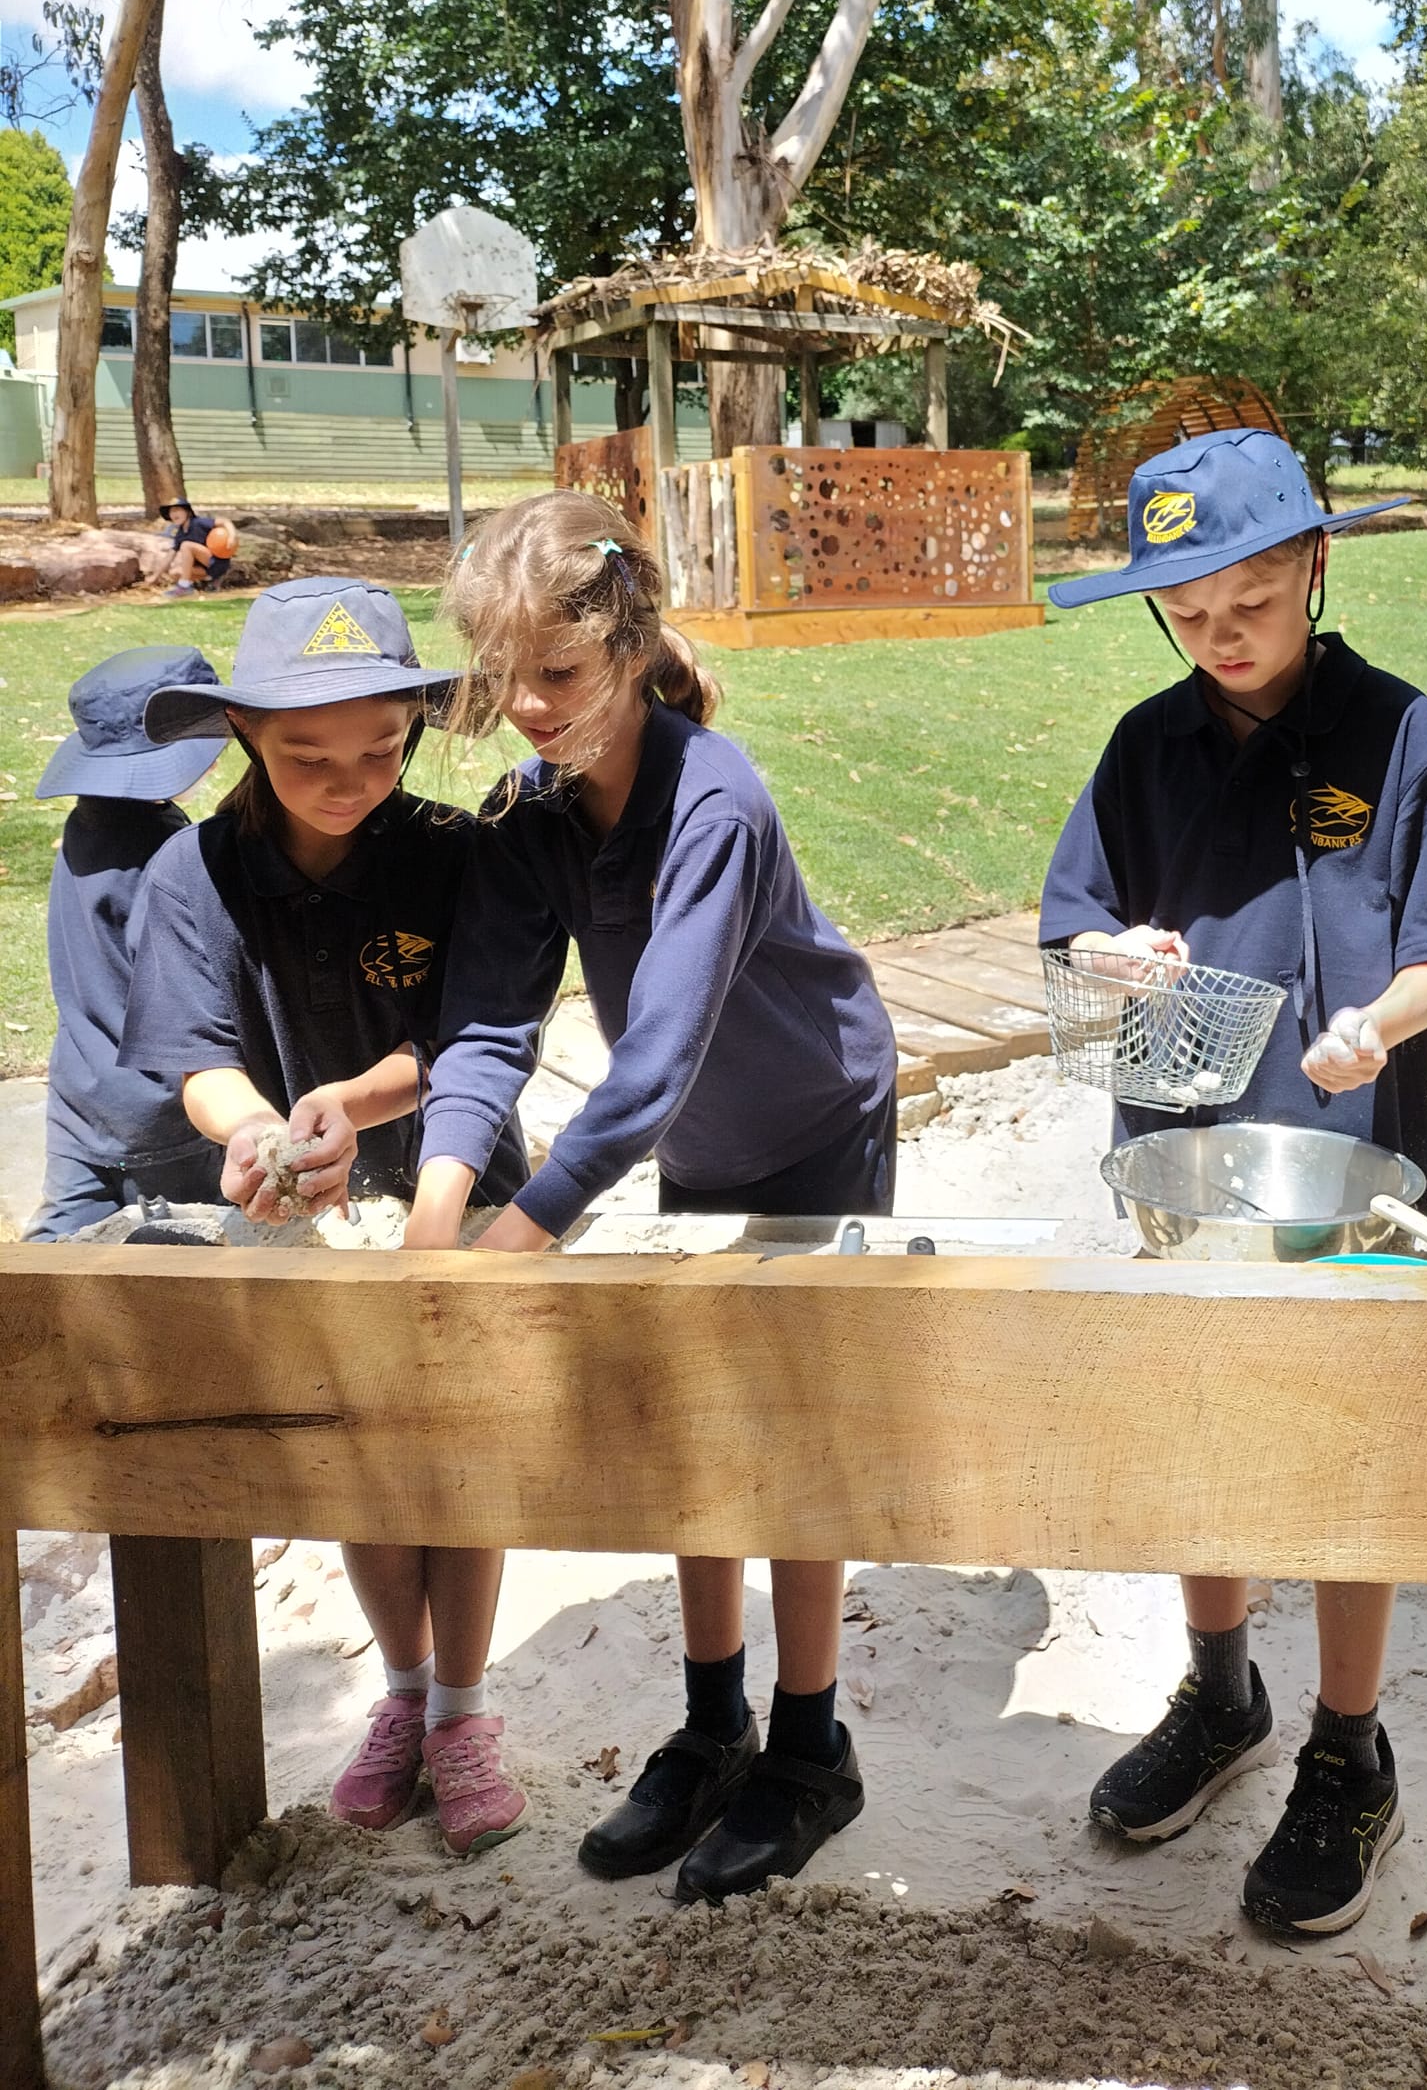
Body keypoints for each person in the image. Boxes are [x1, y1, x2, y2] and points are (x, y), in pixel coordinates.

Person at [1039, 428, 1427, 1937]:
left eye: (1247, 600)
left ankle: (1348, 1745)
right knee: (1198, 1423)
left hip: (1355, 1160)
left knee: (1343, 1454)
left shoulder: (1397, 730)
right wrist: (1108, 956)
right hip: (1181, 1154)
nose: (1219, 636)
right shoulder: (1142, 744)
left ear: (1316, 564)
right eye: (1186, 613)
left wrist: (1383, 1018)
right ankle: (1222, 1682)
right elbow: (1072, 930)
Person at [405, 488, 900, 1904]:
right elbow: (491, 1025)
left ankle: (810, 1747)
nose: (530, 710)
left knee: (796, 1426)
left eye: (557, 676)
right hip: (704, 1138)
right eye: (503, 682)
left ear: (628, 646)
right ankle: (711, 1721)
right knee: (698, 1424)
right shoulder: (531, 810)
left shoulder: (716, 798)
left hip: (816, 1115)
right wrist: (440, 1214)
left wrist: (516, 1235)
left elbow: (654, 1065)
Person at [120, 576, 532, 1858]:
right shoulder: (193, 870)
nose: (347, 776)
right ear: (243, 733)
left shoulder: (457, 853)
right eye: (307, 754)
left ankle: (464, 1709)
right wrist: (254, 1130)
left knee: (458, 1463)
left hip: (456, 1189)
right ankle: (400, 1699)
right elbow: (191, 1053)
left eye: (382, 747)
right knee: (359, 1460)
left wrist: (355, 1097)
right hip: (302, 1210)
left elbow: (473, 1034)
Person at [26, 646, 225, 1239]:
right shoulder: (171, 853)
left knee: (50, 1262)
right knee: (187, 1260)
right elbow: (190, 986)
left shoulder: (85, 825)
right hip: (162, 1112)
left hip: (80, 1098)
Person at [155, 497, 219, 596]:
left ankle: (184, 585)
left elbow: (224, 522)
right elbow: (170, 556)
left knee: (186, 545)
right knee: (174, 572)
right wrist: (155, 576)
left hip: (215, 562)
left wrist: (231, 537)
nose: (174, 514)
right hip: (204, 569)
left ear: (187, 512)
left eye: (177, 510)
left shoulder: (198, 523)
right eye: (171, 512)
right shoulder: (180, 534)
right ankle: (199, 585)